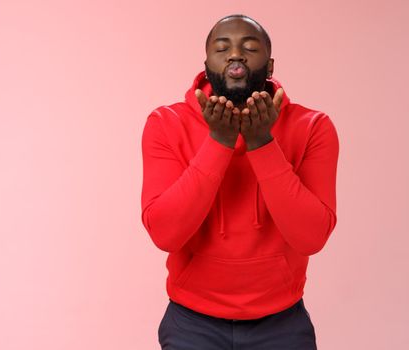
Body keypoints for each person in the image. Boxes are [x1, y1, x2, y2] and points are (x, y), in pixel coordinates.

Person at [141, 13, 339, 350]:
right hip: (192, 324)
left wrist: (262, 143)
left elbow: (311, 238)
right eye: (223, 48)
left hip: (282, 323)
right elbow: (165, 232)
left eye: (249, 47)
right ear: (207, 65)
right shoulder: (166, 123)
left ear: (270, 65)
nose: (236, 55)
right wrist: (219, 141)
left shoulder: (312, 126)